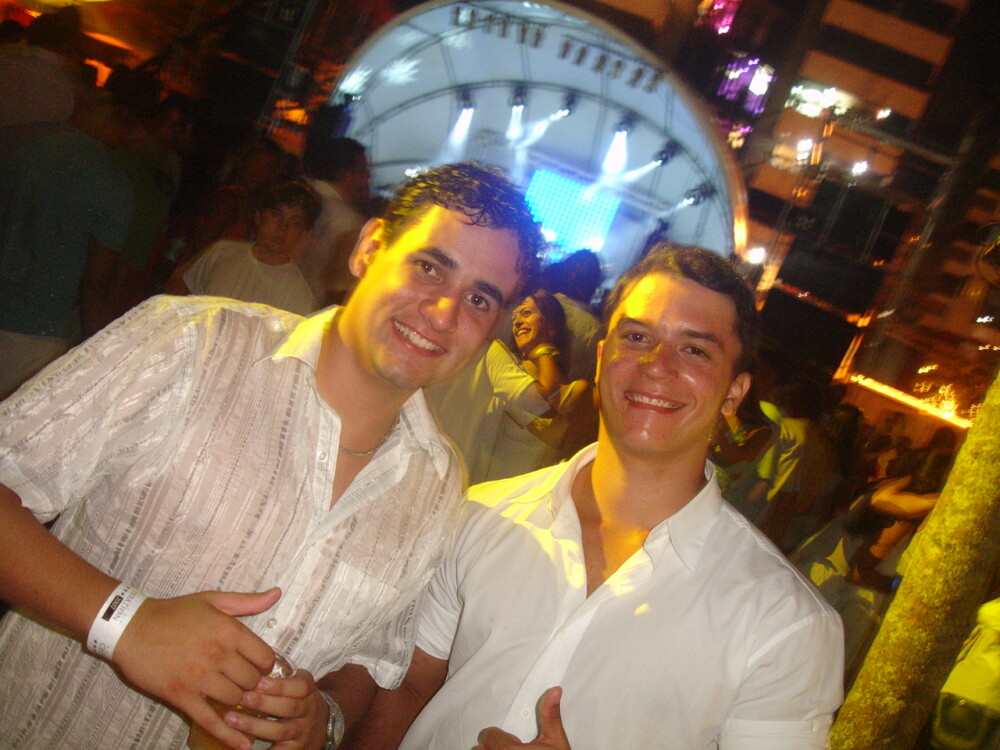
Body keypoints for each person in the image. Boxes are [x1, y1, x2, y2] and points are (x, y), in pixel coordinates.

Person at [0, 162, 542, 749]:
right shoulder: (191, 343)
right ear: (369, 248)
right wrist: (125, 622)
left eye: (479, 299)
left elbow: (367, 659)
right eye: (428, 267)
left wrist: (322, 720)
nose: (442, 313)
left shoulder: (437, 487)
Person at [349, 243, 844, 750]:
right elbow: (408, 689)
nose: (656, 365)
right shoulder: (480, 514)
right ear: (604, 357)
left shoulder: (786, 624)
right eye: (637, 337)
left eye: (695, 350)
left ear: (734, 393)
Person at [0, 84, 145, 399]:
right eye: (130, 128)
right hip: (35, 332)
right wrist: (99, 353)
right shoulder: (111, 182)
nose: (130, 139)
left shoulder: (12, 138)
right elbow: (97, 282)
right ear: (117, 117)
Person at [426, 290, 590, 484]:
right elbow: (542, 407)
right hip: (483, 490)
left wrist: (543, 352)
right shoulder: (503, 369)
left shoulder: (578, 389)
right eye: (514, 317)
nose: (517, 321)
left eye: (526, 313)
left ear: (551, 325)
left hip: (532, 495)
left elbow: (564, 434)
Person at [167, 179, 322, 315]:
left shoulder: (299, 297)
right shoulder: (222, 252)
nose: (283, 227)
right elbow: (176, 294)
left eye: (295, 223)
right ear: (258, 216)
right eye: (276, 215)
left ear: (303, 233)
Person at [299, 137, 372, 306]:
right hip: (309, 304)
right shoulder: (348, 220)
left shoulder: (302, 192)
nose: (367, 176)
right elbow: (340, 286)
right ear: (344, 174)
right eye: (362, 170)